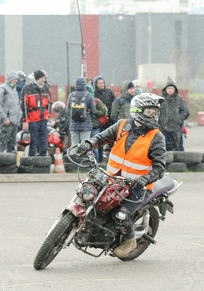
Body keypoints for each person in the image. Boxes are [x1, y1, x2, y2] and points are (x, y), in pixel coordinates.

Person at [76, 93, 166, 258]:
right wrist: (88, 144)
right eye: (150, 112)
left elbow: (160, 168)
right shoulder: (122, 125)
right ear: (138, 111)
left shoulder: (156, 137)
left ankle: (129, 240)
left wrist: (143, 179)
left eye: (155, 112)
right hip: (111, 179)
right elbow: (101, 138)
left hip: (138, 186)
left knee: (121, 215)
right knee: (85, 195)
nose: (153, 115)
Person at [21, 69, 52, 156]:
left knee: (44, 141)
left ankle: (42, 159)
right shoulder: (27, 89)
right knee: (33, 141)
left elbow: (49, 102)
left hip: (43, 119)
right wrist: (25, 120)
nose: (43, 80)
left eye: (44, 78)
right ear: (36, 78)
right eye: (41, 78)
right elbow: (24, 105)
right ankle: (31, 159)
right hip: (32, 120)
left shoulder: (46, 88)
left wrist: (47, 114)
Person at [66, 77, 96, 154]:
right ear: (85, 85)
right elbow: (93, 111)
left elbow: (67, 110)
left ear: (75, 85)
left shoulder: (71, 95)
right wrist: (89, 117)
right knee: (84, 145)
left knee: (74, 144)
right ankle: (83, 162)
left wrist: (73, 118)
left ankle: (73, 161)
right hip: (86, 124)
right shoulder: (89, 95)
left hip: (74, 124)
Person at [158, 81, 189, 151]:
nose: (170, 90)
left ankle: (175, 161)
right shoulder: (160, 98)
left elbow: (185, 111)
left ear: (175, 90)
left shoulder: (179, 99)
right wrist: (159, 120)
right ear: (165, 89)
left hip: (174, 127)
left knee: (176, 146)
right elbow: (154, 110)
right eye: (168, 88)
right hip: (162, 127)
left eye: (172, 88)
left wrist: (178, 119)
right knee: (161, 146)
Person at [0, 71, 22, 153]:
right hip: (7, 122)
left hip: (14, 122)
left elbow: (16, 105)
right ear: (10, 79)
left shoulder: (13, 89)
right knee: (2, 143)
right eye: (15, 79)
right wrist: (4, 118)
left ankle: (10, 164)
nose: (16, 80)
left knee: (12, 145)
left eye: (17, 79)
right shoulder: (2, 89)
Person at [87, 84, 107, 161]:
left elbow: (103, 111)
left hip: (95, 126)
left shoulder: (97, 101)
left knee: (95, 147)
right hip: (86, 127)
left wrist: (93, 111)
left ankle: (96, 162)